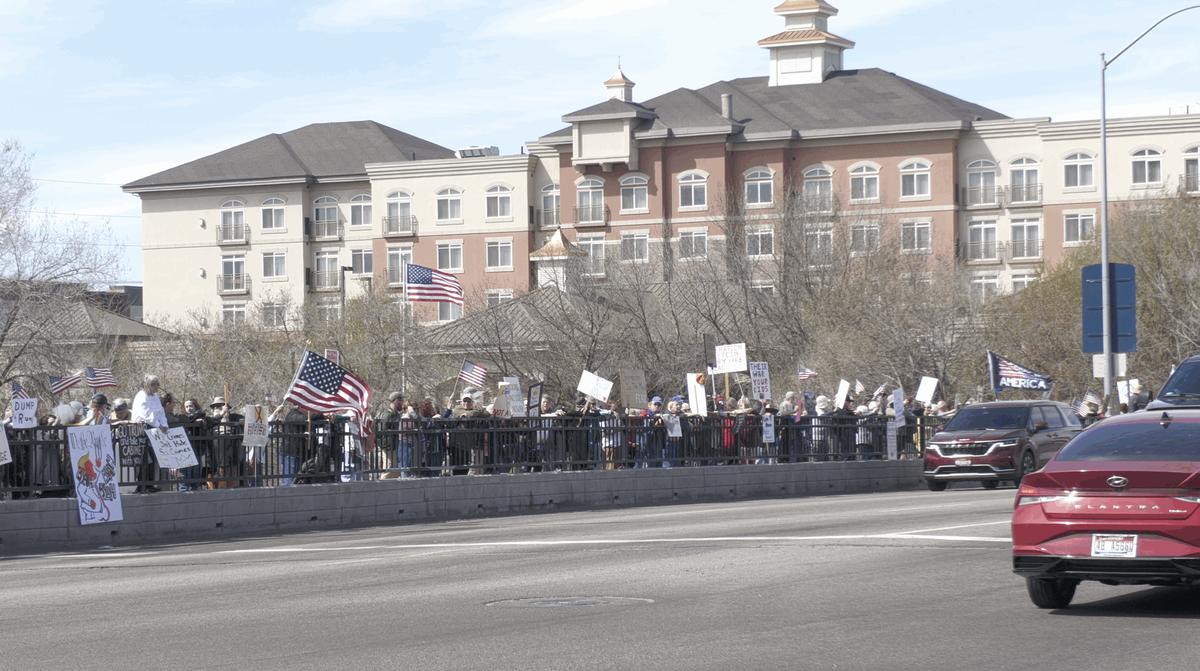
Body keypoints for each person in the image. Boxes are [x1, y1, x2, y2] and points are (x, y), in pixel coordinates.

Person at [132, 375, 169, 492]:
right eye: (157, 384)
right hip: (143, 428)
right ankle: (142, 485)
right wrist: (158, 425)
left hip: (155, 428)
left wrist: (164, 424)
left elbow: (160, 412)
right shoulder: (141, 396)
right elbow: (145, 414)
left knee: (153, 457)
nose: (159, 386)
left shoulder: (155, 397)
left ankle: (150, 483)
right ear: (152, 385)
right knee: (145, 459)